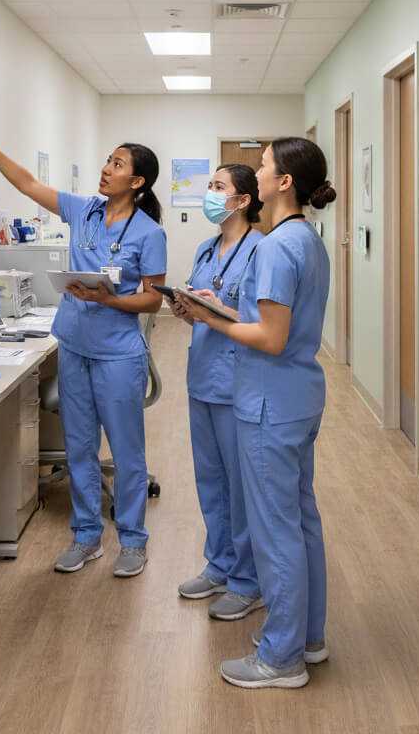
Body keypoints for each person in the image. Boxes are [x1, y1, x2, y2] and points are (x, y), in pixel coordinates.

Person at [0, 124, 166, 578]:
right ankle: (86, 537)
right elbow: (28, 184)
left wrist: (109, 299)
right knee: (80, 446)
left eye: (117, 165)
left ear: (138, 182)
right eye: (108, 161)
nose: (106, 170)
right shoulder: (83, 210)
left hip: (118, 354)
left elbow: (153, 298)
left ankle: (132, 541)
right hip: (73, 345)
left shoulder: (149, 233)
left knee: (127, 452)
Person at [176, 137, 335, 690]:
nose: (259, 173)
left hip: (268, 401)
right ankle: (307, 639)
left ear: (282, 182)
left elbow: (269, 336)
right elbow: (279, 325)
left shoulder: (272, 246)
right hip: (297, 396)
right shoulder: (307, 241)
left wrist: (209, 318)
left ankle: (280, 658)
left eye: (264, 166)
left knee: (275, 532)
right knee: (300, 521)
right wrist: (215, 309)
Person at [172, 164, 264, 622]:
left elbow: (259, 324)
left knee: (241, 488)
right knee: (210, 481)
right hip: (202, 376)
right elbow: (204, 315)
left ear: (243, 199)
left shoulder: (261, 250)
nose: (210, 193)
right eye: (209, 185)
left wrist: (217, 309)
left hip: (236, 381)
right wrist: (187, 310)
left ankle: (249, 581)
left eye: (218, 187)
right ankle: (220, 564)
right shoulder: (206, 247)